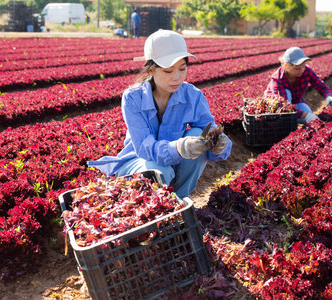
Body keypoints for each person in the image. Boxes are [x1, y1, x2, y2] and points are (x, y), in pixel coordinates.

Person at [88, 29, 232, 199]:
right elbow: (144, 148)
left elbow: (210, 129)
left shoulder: (192, 95)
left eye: (182, 68)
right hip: (139, 162)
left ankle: (180, 200)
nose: (177, 77)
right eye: (168, 71)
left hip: (175, 163)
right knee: (159, 170)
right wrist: (178, 147)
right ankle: (157, 202)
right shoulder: (133, 98)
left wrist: (220, 144)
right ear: (151, 70)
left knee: (198, 134)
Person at [264, 47, 332, 123]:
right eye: (297, 69)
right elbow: (283, 105)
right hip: (276, 108)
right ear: (286, 66)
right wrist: (305, 115)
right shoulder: (277, 79)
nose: (302, 70)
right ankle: (286, 121)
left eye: (303, 66)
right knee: (287, 94)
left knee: (308, 116)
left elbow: (320, 85)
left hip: (295, 102)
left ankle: (291, 119)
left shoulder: (306, 71)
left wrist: (328, 96)